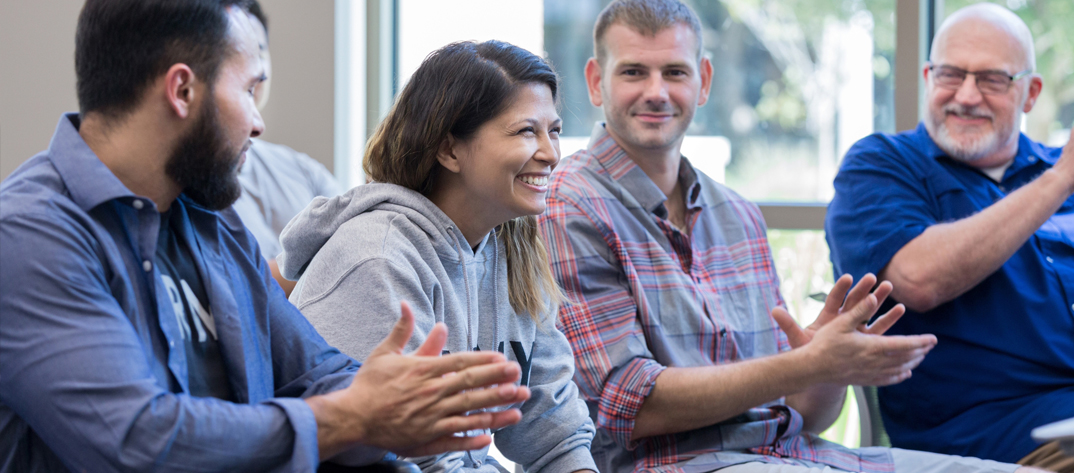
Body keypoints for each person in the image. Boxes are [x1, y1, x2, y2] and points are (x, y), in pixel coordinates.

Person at [0, 1, 531, 471]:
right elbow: (140, 441)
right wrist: (352, 417)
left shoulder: (210, 221)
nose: (257, 122)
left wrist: (398, 402)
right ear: (182, 90)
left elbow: (312, 369)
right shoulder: (30, 236)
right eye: (250, 88)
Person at [537, 0, 1046, 472]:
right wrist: (800, 364)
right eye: (633, 72)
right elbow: (629, 408)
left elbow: (806, 411)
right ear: (596, 82)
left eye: (674, 72)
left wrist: (827, 361)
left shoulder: (736, 213)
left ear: (704, 80)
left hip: (800, 454)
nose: (656, 91)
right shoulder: (568, 202)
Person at [279, 40, 598, 473]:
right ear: (449, 150)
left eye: (554, 131)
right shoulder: (377, 258)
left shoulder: (511, 250)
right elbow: (417, 460)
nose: (551, 153)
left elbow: (555, 433)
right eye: (526, 131)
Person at [826, 3, 1074, 471]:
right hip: (991, 440)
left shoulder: (1054, 166)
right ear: (926, 77)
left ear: (1031, 92)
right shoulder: (881, 166)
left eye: (992, 80)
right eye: (950, 75)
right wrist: (1061, 180)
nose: (966, 95)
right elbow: (920, 278)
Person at [230, 1, 343, 297]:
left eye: (259, 51)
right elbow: (230, 282)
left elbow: (356, 246)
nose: (255, 68)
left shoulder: (303, 170)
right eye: (237, 54)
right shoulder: (187, 181)